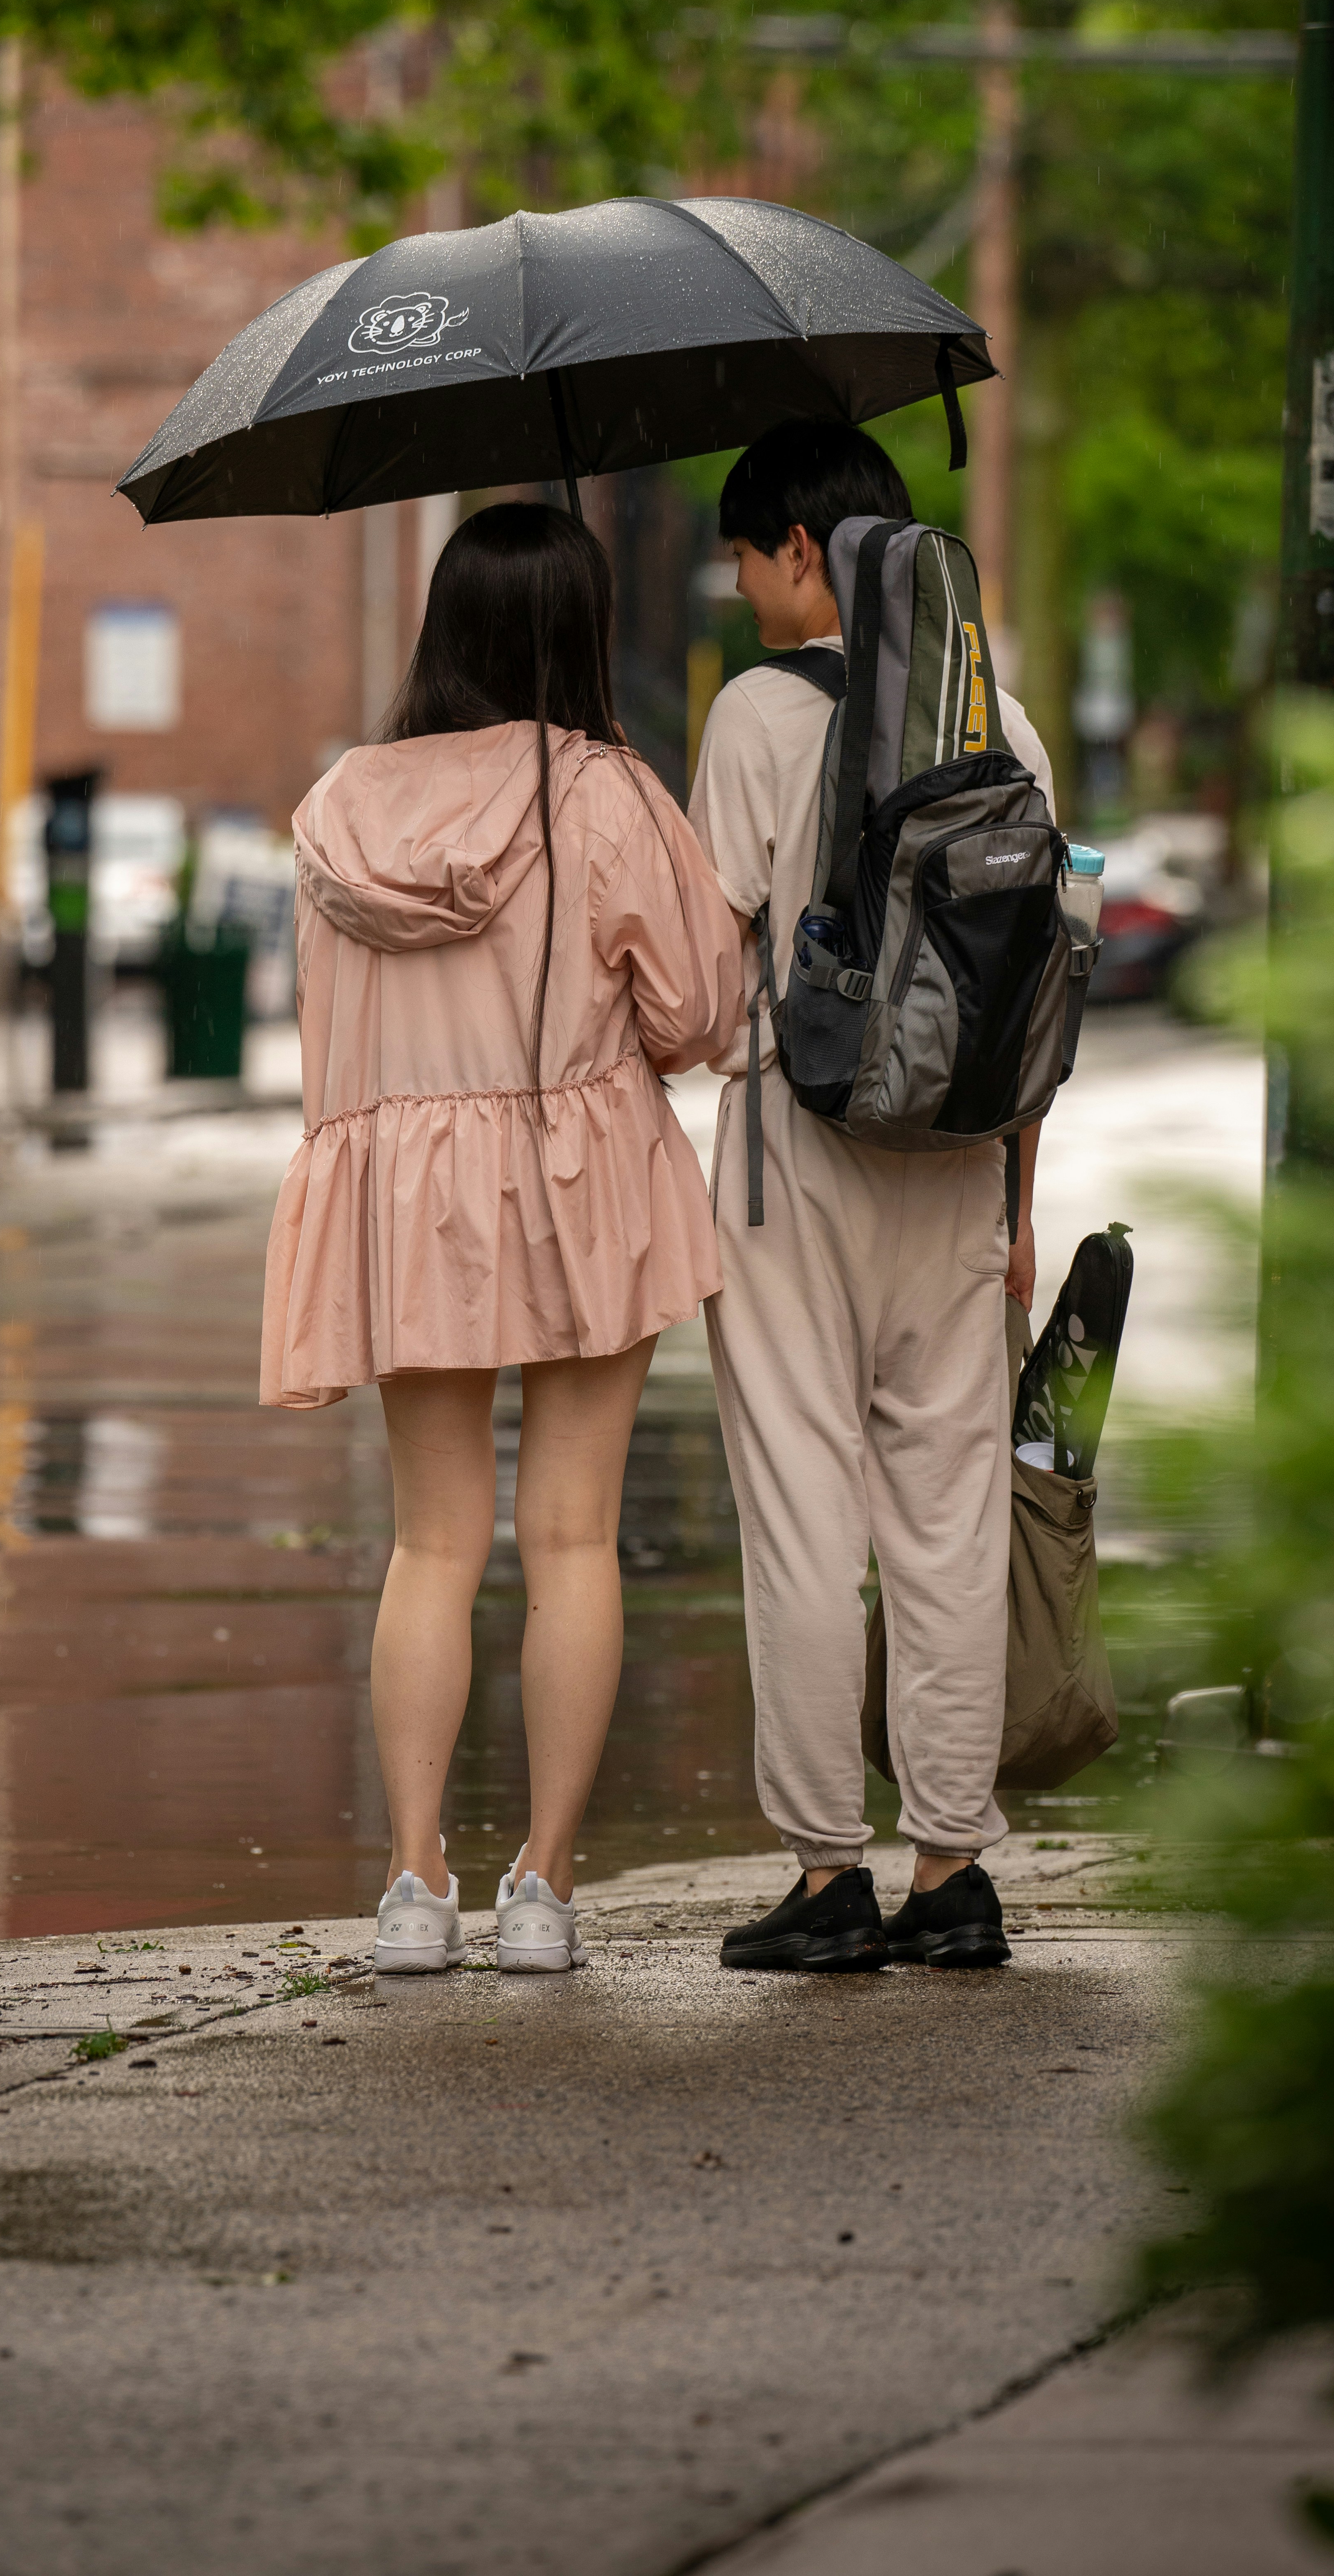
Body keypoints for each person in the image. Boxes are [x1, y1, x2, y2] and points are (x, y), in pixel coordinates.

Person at [261, 502, 743, 1980]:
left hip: (407, 1195)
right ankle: (544, 1886)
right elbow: (701, 1015)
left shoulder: (340, 807)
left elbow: (321, 1027)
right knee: (577, 1537)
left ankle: (414, 1887)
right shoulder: (601, 794)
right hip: (579, 1177)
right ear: (580, 631)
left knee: (431, 1540)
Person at [687, 419, 1057, 1976]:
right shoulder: (1008, 724)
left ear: (800, 550)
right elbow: (1037, 989)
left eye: (746, 557)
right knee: (950, 1511)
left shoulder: (759, 715)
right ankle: (954, 1868)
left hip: (798, 1151)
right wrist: (1020, 1204)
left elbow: (717, 985)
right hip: (967, 1160)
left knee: (803, 1500)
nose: (741, 588)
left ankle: (830, 1870)